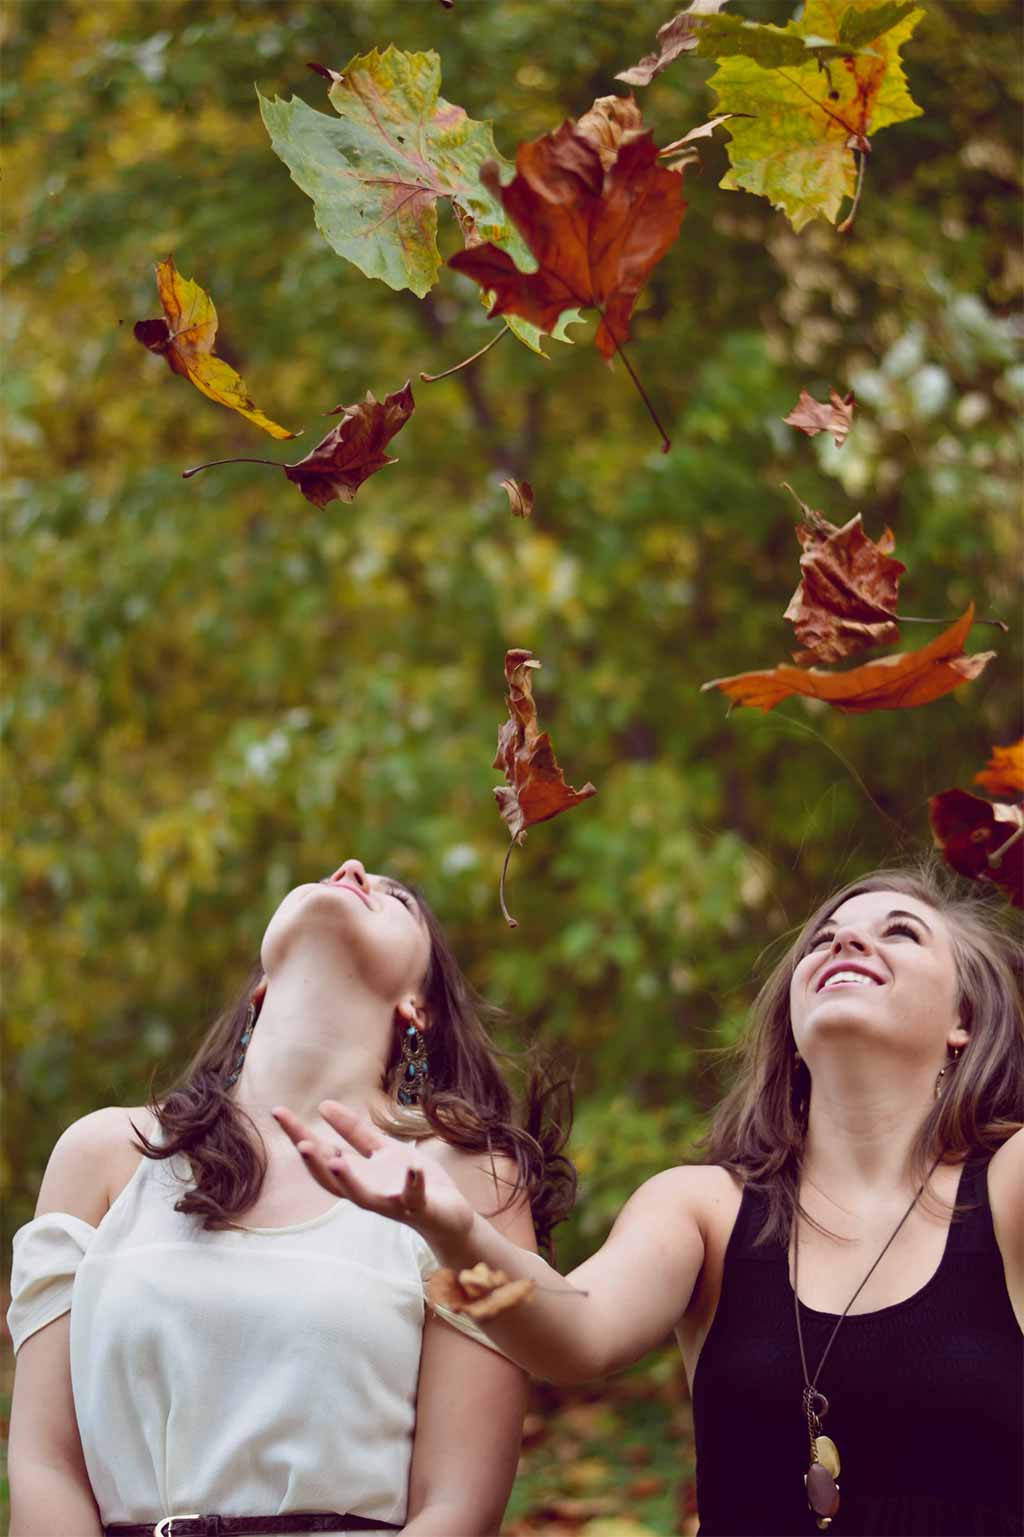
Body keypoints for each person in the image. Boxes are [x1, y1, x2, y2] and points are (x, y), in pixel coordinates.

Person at [275, 865, 1024, 1537]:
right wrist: (453, 1229)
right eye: (823, 939)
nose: (846, 944)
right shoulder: (702, 1208)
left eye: (900, 933)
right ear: (792, 1025)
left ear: (963, 1018)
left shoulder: (1010, 1184)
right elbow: (572, 1334)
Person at [8, 858, 574, 1537]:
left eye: (396, 898)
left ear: (417, 1007)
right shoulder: (102, 1156)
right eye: (337, 872)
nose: (352, 869)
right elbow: (43, 1464)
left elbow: (457, 1505)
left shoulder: (466, 1182)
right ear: (260, 987)